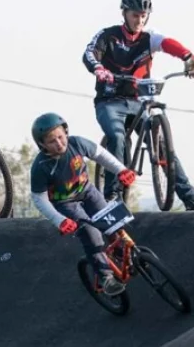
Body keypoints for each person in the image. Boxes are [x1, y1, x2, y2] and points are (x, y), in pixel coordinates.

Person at [83, 0, 194, 211]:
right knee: (118, 137)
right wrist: (99, 69)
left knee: (163, 147)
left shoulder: (149, 38)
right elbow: (90, 53)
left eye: (143, 15)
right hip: (110, 101)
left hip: (139, 99)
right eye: (135, 15)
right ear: (124, 14)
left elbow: (168, 43)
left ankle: (190, 198)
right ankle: (112, 196)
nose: (139, 20)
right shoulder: (108, 35)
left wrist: (188, 57)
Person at [29, 113, 136, 297]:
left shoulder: (77, 143)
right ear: (43, 144)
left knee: (112, 222)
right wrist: (59, 220)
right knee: (91, 235)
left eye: (61, 137)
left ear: (66, 133)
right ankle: (106, 278)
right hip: (65, 204)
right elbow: (39, 198)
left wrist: (121, 170)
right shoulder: (41, 166)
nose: (59, 143)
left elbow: (101, 155)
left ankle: (120, 250)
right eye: (52, 141)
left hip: (87, 192)